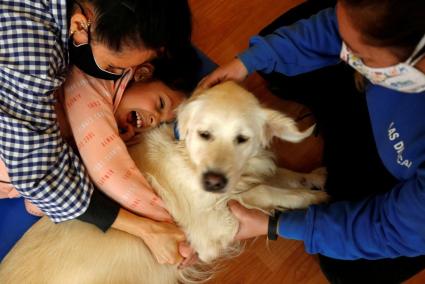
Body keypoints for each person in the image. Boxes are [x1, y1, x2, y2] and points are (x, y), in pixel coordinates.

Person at [200, 0, 425, 282]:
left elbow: (388, 229)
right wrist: (247, 62)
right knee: (272, 56)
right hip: (381, 105)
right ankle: (341, 115)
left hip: (405, 187)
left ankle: (342, 128)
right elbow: (334, 28)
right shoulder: (385, 36)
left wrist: (273, 224)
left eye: (359, 54)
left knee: (346, 271)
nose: (347, 54)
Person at [0, 0, 201, 265]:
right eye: (113, 68)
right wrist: (150, 227)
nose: (117, 76)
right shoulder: (33, 59)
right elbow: (39, 174)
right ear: (80, 25)